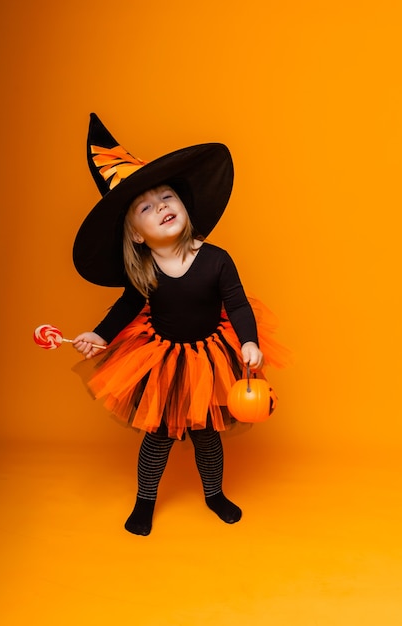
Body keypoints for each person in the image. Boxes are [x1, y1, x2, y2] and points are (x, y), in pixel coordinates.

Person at [72, 114, 290, 536]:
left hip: (211, 356)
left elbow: (239, 305)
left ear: (185, 206)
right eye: (147, 208)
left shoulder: (216, 259)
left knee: (209, 434)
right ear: (137, 235)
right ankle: (144, 502)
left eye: (167, 197)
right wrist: (99, 335)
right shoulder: (146, 270)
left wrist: (249, 342)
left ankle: (213, 494)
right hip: (162, 360)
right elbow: (125, 308)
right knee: (158, 437)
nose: (162, 208)